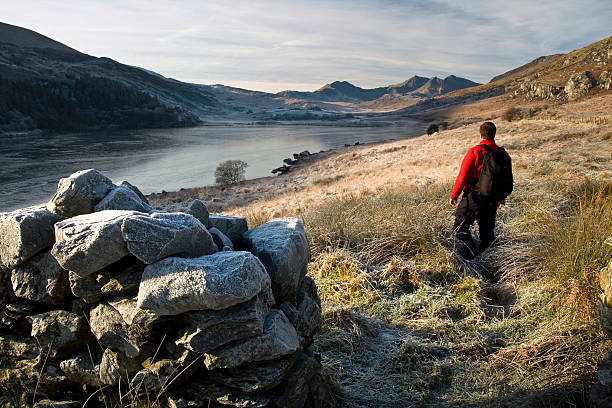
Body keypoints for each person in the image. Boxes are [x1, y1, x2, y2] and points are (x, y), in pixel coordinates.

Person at [449, 121, 511, 260]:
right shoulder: (503, 154)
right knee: (487, 234)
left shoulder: (475, 151)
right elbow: (504, 178)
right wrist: (500, 199)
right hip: (493, 198)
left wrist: (454, 195)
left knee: (459, 227)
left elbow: (463, 176)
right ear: (494, 134)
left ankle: (473, 257)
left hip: (474, 197)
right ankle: (489, 262)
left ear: (480, 134)